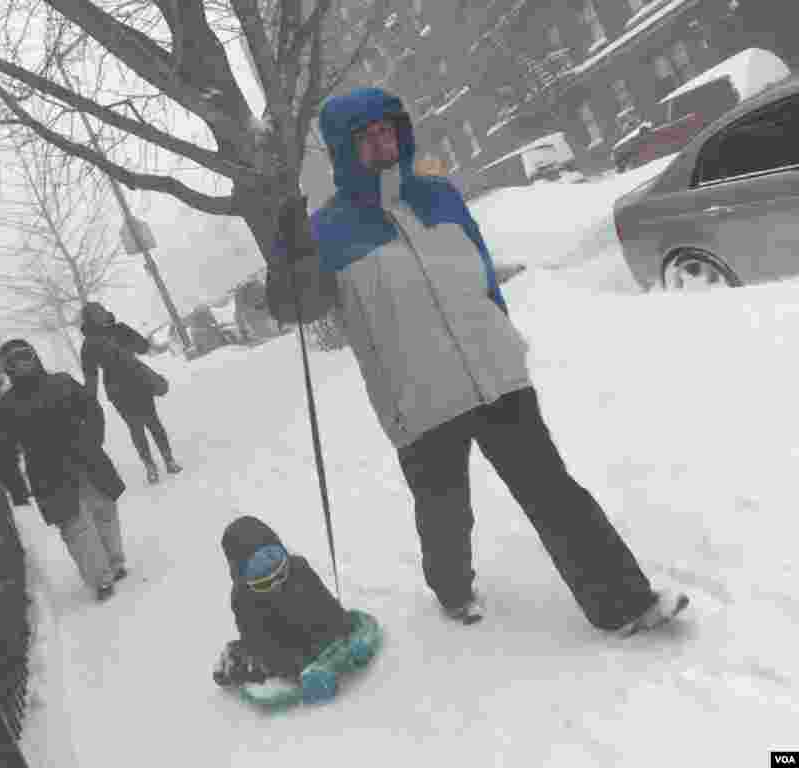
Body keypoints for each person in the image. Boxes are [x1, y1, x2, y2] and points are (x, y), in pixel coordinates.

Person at [265, 87, 687, 635]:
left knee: (555, 494)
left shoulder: (439, 197)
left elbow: (482, 272)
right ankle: (451, 586)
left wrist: (503, 334)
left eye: (387, 130)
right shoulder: (328, 230)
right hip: (418, 399)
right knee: (445, 512)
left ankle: (625, 604)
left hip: (496, 375)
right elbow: (299, 308)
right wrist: (290, 256)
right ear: (344, 150)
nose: (381, 143)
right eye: (366, 137)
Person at [0, 338, 128, 602]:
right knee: (76, 528)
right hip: (49, 474)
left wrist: (93, 440)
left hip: (87, 459)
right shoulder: (5, 408)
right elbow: (3, 453)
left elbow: (92, 409)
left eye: (26, 356)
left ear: (34, 356)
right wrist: (16, 489)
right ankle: (100, 579)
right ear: (8, 368)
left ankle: (115, 562)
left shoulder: (62, 382)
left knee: (104, 511)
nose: (22, 363)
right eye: (15, 360)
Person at [213, 515, 353, 701]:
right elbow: (263, 646)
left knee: (324, 630)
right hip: (275, 642)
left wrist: (343, 628)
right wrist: (299, 668)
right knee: (257, 664)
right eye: (263, 581)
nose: (276, 583)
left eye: (279, 570)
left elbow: (325, 604)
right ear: (243, 577)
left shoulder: (299, 568)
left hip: (303, 626)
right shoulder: (243, 599)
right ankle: (231, 661)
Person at [80, 302, 181, 485]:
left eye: (102, 310)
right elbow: (91, 377)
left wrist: (133, 339)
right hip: (119, 389)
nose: (102, 314)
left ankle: (168, 460)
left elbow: (142, 348)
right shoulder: (89, 345)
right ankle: (150, 466)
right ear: (89, 319)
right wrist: (90, 404)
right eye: (97, 313)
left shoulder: (118, 330)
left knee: (152, 422)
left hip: (136, 382)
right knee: (137, 427)